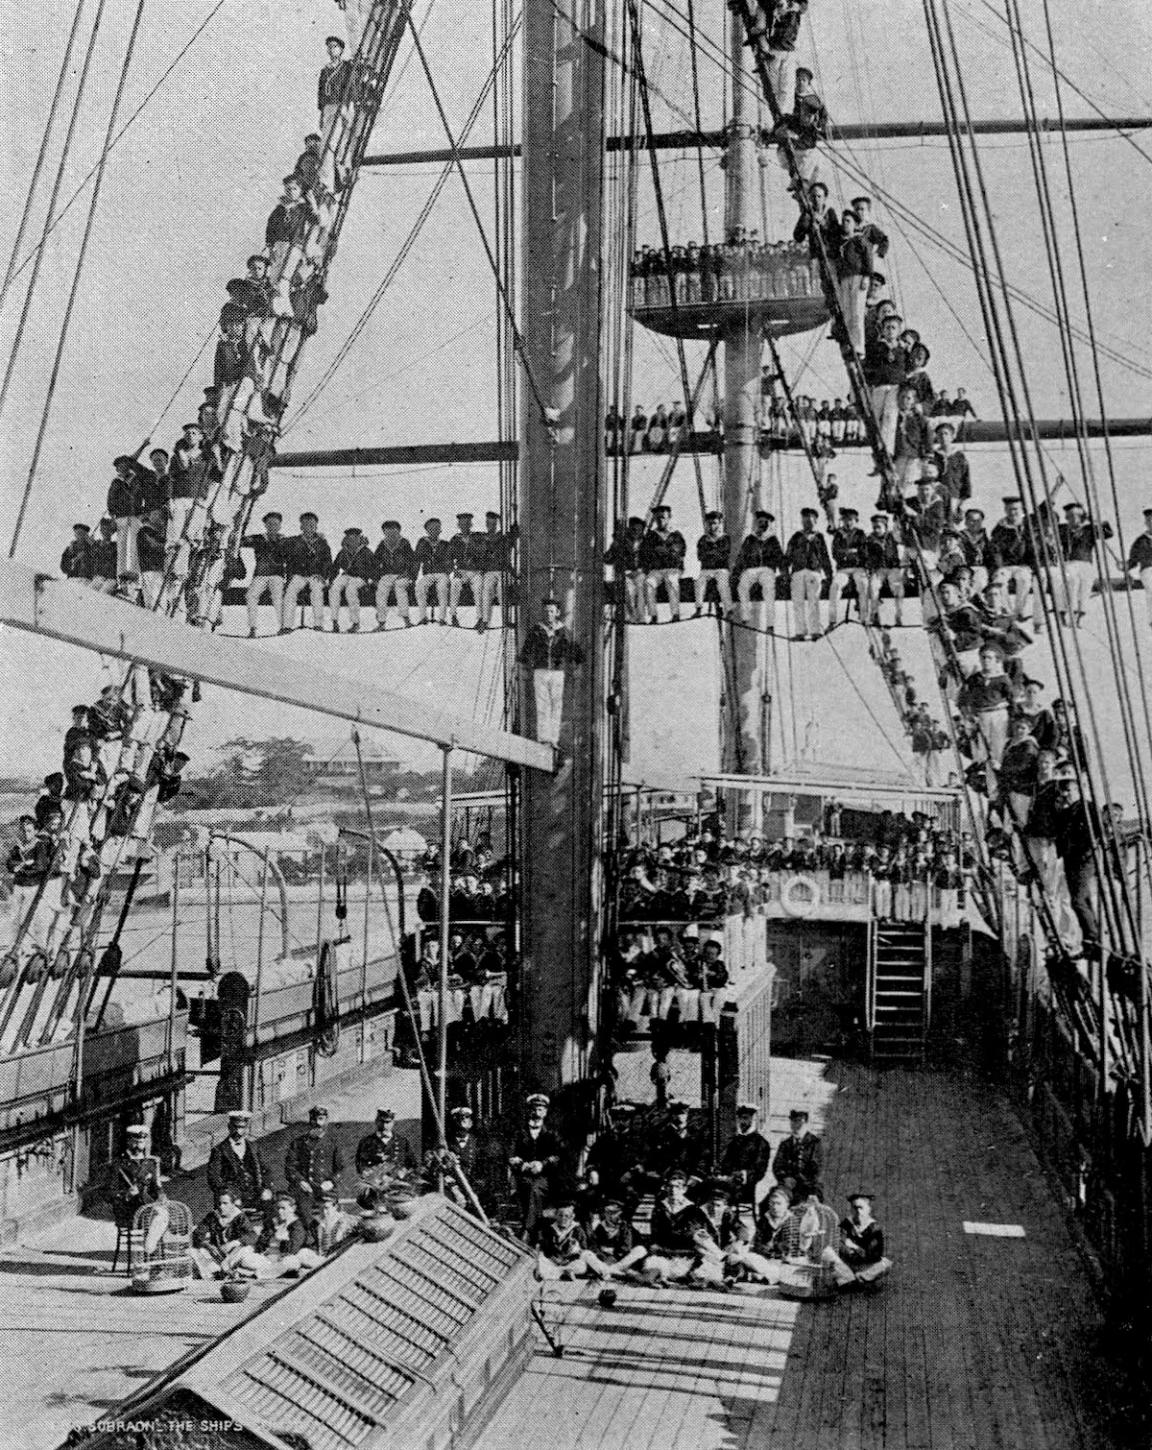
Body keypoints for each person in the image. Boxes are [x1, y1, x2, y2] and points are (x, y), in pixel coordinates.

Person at [518, 597, 583, 749]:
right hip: (540, 671)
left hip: (557, 673)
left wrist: (577, 666)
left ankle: (554, 739)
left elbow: (576, 650)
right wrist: (524, 668)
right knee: (542, 705)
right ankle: (543, 738)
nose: (549, 614)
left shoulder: (564, 631)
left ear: (557, 613)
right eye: (546, 611)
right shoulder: (536, 630)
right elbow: (526, 651)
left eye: (552, 611)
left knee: (556, 705)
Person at [508, 1092, 565, 1238]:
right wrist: (522, 1164)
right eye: (533, 1109)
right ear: (529, 1111)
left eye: (540, 1109)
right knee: (529, 1188)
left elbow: (558, 1156)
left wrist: (542, 1164)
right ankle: (533, 1231)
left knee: (535, 1189)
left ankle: (528, 1231)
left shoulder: (552, 1133)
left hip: (545, 1177)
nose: (536, 1113)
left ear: (545, 1112)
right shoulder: (519, 1132)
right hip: (523, 1176)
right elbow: (511, 1155)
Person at [642, 1168, 712, 1285]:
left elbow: (700, 1236)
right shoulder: (659, 1209)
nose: (673, 1190)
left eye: (678, 1187)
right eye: (670, 1186)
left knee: (702, 1268)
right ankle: (660, 1279)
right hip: (663, 1253)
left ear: (684, 1189)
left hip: (687, 1255)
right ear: (666, 1188)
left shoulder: (694, 1211)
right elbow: (655, 1235)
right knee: (654, 1266)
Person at [106, 1125, 168, 1256]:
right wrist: (126, 1194)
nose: (139, 1145)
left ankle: (149, 1251)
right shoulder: (118, 1164)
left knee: (161, 1214)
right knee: (160, 1217)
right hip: (128, 1211)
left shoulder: (149, 1163)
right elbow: (108, 1194)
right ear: (128, 1141)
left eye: (142, 1142)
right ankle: (150, 1252)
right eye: (136, 1142)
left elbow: (156, 1187)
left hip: (146, 1206)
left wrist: (161, 1194)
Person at [285, 1105, 346, 1223]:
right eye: (314, 1119)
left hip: (326, 1190)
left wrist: (331, 1182)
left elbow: (341, 1168)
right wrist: (300, 1181)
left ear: (326, 1121)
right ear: (310, 1121)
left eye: (321, 1119)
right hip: (304, 1190)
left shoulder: (333, 1143)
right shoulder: (298, 1143)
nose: (317, 1123)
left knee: (328, 1219)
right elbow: (290, 1167)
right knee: (304, 1218)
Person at [189, 1187, 264, 1280]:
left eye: (225, 1203)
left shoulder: (240, 1217)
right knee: (192, 1251)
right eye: (219, 1203)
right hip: (218, 1253)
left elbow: (252, 1235)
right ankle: (223, 1272)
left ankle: (225, 1271)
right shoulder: (212, 1216)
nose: (221, 1206)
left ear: (232, 1204)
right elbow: (197, 1234)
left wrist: (234, 1243)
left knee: (246, 1255)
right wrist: (208, 1245)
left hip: (235, 1254)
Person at [1058, 502, 1113, 628]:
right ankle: (1067, 612)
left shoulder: (1090, 529)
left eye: (1075, 516)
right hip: (1069, 563)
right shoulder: (1063, 529)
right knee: (1072, 581)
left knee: (1085, 586)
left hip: (1086, 563)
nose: (1071, 519)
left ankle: (1080, 615)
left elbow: (1108, 533)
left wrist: (1096, 521)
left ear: (1082, 517)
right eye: (1069, 516)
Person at [206, 1110, 272, 1209]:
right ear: (229, 1127)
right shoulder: (219, 1150)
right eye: (235, 1127)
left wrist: (266, 1188)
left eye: (241, 1127)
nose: (238, 1131)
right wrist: (228, 1194)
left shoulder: (254, 1147)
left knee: (269, 1200)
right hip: (231, 1192)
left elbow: (266, 1170)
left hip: (253, 1190)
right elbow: (213, 1177)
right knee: (235, 1205)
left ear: (246, 1128)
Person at [864, 313, 907, 458]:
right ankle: (876, 447)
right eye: (887, 327)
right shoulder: (877, 347)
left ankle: (887, 449)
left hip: (895, 386)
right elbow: (870, 365)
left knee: (890, 415)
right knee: (876, 415)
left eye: (893, 328)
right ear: (882, 330)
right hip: (880, 385)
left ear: (899, 331)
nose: (890, 331)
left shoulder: (902, 349)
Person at [826, 1191, 892, 1287]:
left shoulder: (874, 1228)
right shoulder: (847, 1223)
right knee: (828, 1253)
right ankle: (849, 1278)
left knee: (885, 1264)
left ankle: (860, 1278)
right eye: (855, 1208)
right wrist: (847, 1249)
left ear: (868, 1209)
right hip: (847, 1263)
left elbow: (873, 1255)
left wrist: (853, 1246)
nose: (858, 1212)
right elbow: (838, 1242)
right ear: (851, 1209)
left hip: (866, 1266)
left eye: (861, 1208)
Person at [785, 508, 832, 640]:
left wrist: (829, 575)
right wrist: (785, 573)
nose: (807, 522)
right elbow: (788, 555)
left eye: (810, 519)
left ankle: (814, 630)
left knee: (813, 601)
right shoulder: (796, 537)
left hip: (813, 571)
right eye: (805, 519)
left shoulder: (819, 537)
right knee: (797, 602)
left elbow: (824, 556)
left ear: (815, 521)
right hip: (797, 571)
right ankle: (800, 632)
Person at [282, 512, 333, 631]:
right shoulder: (293, 541)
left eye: (312, 525)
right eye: (306, 525)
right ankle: (286, 626)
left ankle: (318, 624)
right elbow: (282, 553)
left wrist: (323, 576)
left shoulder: (322, 543)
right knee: (290, 592)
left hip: (316, 575)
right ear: (301, 526)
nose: (309, 528)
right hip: (299, 574)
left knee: (317, 592)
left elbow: (327, 561)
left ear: (316, 527)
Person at [734, 510, 784, 629]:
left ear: (768, 524)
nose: (762, 525)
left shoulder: (772, 540)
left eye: (765, 522)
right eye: (760, 522)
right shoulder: (750, 539)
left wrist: (784, 573)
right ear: (757, 523)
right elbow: (741, 557)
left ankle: (770, 623)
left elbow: (780, 557)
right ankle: (745, 616)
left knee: (769, 590)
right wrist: (736, 573)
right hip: (751, 569)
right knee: (742, 586)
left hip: (767, 569)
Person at [777, 69, 827, 188]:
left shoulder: (813, 100)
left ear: (808, 83)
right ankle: (800, 180)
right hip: (790, 144)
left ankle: (803, 184)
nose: (800, 82)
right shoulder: (790, 96)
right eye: (798, 79)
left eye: (803, 80)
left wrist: (819, 125)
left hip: (802, 143)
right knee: (808, 158)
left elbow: (822, 115)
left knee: (814, 163)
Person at [242, 511, 289, 637]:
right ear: (265, 525)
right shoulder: (258, 539)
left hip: (277, 575)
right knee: (250, 596)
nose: (273, 526)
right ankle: (253, 628)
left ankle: (284, 626)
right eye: (270, 524)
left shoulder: (285, 540)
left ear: (280, 526)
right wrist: (239, 529)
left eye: (276, 524)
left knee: (278, 598)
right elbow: (241, 541)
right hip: (260, 575)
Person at [989, 496, 1035, 625]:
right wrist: (999, 566)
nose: (1013, 512)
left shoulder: (1028, 525)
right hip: (1006, 565)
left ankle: (1018, 611)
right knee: (999, 580)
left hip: (1023, 565)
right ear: (1005, 510)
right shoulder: (1000, 528)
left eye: (1015, 509)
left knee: (1024, 579)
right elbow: (996, 549)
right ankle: (1007, 611)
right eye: (1009, 509)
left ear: (1021, 509)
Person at [256, 1191, 324, 1276]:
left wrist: (280, 1241)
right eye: (278, 1208)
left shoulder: (297, 1226)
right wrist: (270, 1231)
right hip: (269, 1258)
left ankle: (263, 1273)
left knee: (291, 1261)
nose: (280, 1211)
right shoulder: (274, 1224)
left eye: (283, 1208)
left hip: (288, 1259)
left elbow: (292, 1249)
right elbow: (260, 1246)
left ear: (293, 1208)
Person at [719, 1102, 772, 1210]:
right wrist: (724, 1173)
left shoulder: (761, 1143)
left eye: (746, 1118)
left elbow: (759, 1170)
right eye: (740, 1118)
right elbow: (726, 1162)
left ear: (753, 1120)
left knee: (719, 1193)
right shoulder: (735, 1141)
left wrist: (742, 1175)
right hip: (729, 1181)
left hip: (745, 1187)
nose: (742, 1122)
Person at [834, 209, 873, 357]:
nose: (845, 224)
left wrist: (866, 277)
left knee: (857, 312)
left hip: (858, 277)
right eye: (843, 221)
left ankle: (859, 346)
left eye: (848, 221)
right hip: (845, 279)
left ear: (855, 224)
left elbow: (868, 258)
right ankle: (851, 343)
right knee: (847, 313)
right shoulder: (842, 243)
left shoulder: (859, 240)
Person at [640, 505, 687, 623]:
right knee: (649, 583)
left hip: (673, 568)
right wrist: (663, 552)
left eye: (663, 517)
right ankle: (653, 615)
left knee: (672, 581)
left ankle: (675, 614)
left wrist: (661, 551)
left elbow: (679, 552)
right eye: (658, 518)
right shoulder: (650, 536)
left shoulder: (676, 535)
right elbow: (645, 553)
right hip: (656, 569)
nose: (660, 520)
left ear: (669, 518)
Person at [585, 1195, 648, 1277]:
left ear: (620, 1213)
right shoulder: (599, 1227)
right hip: (603, 1259)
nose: (611, 1216)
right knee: (586, 1254)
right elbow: (594, 1245)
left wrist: (615, 1257)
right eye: (608, 1213)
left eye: (614, 1213)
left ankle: (610, 1270)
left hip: (619, 1260)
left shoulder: (624, 1227)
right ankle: (609, 1271)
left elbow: (626, 1247)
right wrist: (602, 1257)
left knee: (640, 1250)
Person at [106, 454, 147, 582]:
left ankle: (134, 572)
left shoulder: (137, 479)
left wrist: (143, 512)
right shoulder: (116, 482)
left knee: (135, 543)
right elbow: (110, 499)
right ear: (117, 468)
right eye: (119, 465)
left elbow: (144, 494)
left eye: (124, 464)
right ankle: (121, 574)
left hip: (136, 514)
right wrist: (112, 515)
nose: (122, 467)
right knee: (121, 544)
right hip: (121, 516)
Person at [328, 526, 376, 632]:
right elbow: (335, 566)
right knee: (334, 589)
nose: (352, 539)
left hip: (360, 577)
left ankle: (355, 623)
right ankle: (334, 622)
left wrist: (373, 580)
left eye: (355, 537)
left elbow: (374, 567)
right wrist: (331, 580)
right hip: (347, 575)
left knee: (351, 590)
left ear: (359, 538)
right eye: (350, 537)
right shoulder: (343, 551)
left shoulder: (366, 551)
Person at [863, 512, 904, 627]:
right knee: (873, 587)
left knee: (898, 589)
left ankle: (899, 615)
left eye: (879, 527)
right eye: (874, 527)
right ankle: (874, 614)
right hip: (879, 569)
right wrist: (869, 567)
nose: (876, 530)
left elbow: (902, 540)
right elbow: (866, 555)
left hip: (892, 568)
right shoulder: (870, 539)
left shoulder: (892, 536)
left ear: (885, 527)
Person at [772, 1108, 823, 1200]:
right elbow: (777, 1166)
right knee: (766, 1204)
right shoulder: (785, 1144)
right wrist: (785, 1178)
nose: (795, 1125)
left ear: (806, 1123)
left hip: (809, 1188)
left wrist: (802, 1182)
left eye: (799, 1121)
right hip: (787, 1186)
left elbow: (817, 1169)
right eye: (793, 1121)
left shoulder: (815, 1143)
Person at [828, 507, 868, 624]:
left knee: (863, 585)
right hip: (843, 568)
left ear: (856, 521)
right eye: (845, 519)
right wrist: (850, 552)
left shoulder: (860, 534)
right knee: (835, 586)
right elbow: (835, 552)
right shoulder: (839, 534)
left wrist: (851, 553)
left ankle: (864, 616)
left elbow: (864, 551)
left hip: (858, 567)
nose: (848, 522)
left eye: (851, 519)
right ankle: (832, 619)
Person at [535, 1199, 594, 1279]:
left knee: (581, 1266)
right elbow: (545, 1248)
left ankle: (558, 1272)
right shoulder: (550, 1229)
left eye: (567, 1216)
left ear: (572, 1217)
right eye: (560, 1215)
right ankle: (562, 1272)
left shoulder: (577, 1230)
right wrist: (553, 1258)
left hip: (570, 1261)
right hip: (553, 1260)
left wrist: (573, 1254)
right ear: (556, 1215)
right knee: (540, 1260)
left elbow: (583, 1248)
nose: (563, 1218)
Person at [373, 519, 415, 628]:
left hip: (402, 574)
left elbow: (412, 560)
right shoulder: (383, 544)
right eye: (388, 531)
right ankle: (381, 622)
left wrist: (408, 574)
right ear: (384, 532)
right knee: (381, 592)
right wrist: (376, 578)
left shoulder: (404, 543)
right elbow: (375, 561)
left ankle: (406, 619)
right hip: (387, 574)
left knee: (400, 588)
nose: (391, 533)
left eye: (393, 530)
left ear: (398, 531)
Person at [355, 1107, 417, 1179]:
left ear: (393, 1123)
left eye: (388, 1122)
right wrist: (364, 1172)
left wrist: (403, 1171)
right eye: (381, 1121)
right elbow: (359, 1163)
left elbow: (412, 1163)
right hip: (374, 1182)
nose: (384, 1125)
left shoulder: (402, 1141)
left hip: (397, 1182)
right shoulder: (366, 1142)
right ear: (376, 1121)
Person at [448, 512, 486, 626]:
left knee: (478, 588)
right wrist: (454, 570)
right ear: (458, 525)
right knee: (455, 584)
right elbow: (449, 558)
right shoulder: (455, 539)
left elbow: (484, 552)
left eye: (467, 523)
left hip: (475, 571)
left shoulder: (477, 537)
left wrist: (481, 567)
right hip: (461, 571)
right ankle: (453, 616)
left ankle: (480, 619)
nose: (465, 526)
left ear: (471, 525)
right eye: (462, 524)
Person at [414, 517, 453, 625]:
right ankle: (423, 617)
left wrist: (447, 571)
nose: (434, 531)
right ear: (427, 530)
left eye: (437, 528)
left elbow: (449, 560)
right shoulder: (422, 542)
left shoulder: (445, 544)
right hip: (429, 573)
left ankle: (442, 618)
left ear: (440, 530)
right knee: (420, 587)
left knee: (442, 588)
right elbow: (417, 558)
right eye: (431, 529)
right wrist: (413, 576)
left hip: (442, 573)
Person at [318, 34, 358, 134]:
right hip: (328, 106)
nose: (332, 49)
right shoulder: (325, 70)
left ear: (341, 50)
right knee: (327, 132)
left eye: (335, 46)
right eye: (329, 47)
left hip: (342, 105)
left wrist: (351, 105)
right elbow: (321, 93)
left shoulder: (346, 67)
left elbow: (352, 86)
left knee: (344, 131)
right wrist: (322, 113)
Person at [477, 510, 511, 630]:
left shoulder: (503, 538)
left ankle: (506, 619)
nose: (490, 526)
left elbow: (511, 540)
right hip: (489, 571)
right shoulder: (482, 539)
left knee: (502, 590)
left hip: (502, 570)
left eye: (493, 524)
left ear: (496, 524)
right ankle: (485, 621)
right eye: (488, 523)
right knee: (486, 590)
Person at [695, 511, 732, 616]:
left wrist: (709, 553)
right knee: (699, 584)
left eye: (714, 523)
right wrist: (715, 553)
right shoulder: (703, 539)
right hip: (706, 569)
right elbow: (700, 556)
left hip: (721, 568)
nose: (712, 526)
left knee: (723, 585)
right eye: (709, 523)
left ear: (719, 523)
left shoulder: (725, 538)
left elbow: (725, 554)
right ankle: (698, 609)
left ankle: (729, 609)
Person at [1126, 508, 1152, 627]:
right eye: (1149, 520)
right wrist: (1125, 566)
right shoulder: (1140, 541)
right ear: (1146, 523)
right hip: (1149, 569)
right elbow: (1133, 561)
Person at [90, 518, 118, 593]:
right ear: (101, 530)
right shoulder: (96, 544)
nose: (106, 532)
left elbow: (109, 558)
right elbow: (91, 559)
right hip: (98, 577)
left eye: (109, 530)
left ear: (112, 532)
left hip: (110, 579)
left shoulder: (115, 546)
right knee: (89, 591)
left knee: (103, 593)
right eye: (104, 529)